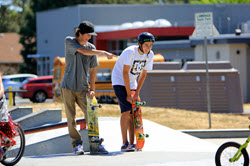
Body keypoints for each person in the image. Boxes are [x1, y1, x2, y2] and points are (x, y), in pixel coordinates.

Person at [60, 21, 116, 155]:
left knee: (92, 115)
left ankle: (96, 143)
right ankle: (77, 144)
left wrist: (92, 89)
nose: (89, 38)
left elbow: (93, 71)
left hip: (83, 88)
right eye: (87, 35)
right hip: (68, 86)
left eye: (91, 35)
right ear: (79, 33)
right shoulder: (69, 41)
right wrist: (103, 52)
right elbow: (83, 51)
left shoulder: (91, 47)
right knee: (71, 117)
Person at [111, 32, 155, 152]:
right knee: (126, 111)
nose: (149, 48)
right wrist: (128, 94)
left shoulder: (150, 55)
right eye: (146, 45)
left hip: (132, 82)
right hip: (119, 80)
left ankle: (132, 143)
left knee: (133, 114)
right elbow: (125, 73)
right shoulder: (130, 52)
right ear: (140, 44)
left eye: (151, 45)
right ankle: (124, 143)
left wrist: (137, 93)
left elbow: (143, 74)